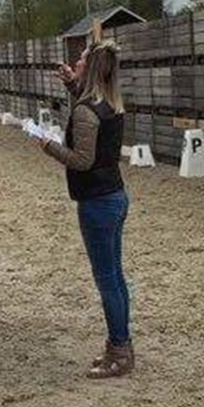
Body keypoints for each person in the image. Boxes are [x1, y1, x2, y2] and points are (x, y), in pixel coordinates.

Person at [35, 40, 133, 379]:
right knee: (116, 277)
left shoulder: (85, 111)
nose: (75, 63)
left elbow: (81, 159)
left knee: (107, 280)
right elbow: (89, 109)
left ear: (89, 68)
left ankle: (119, 350)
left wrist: (49, 147)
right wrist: (71, 85)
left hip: (96, 202)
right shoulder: (110, 102)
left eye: (80, 60)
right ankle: (120, 345)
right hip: (115, 194)